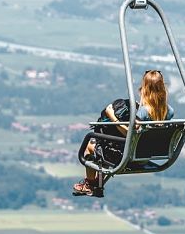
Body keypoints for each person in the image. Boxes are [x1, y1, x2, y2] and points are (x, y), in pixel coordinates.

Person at [73, 69, 173, 197]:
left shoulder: (143, 113)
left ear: (145, 88)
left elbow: (131, 135)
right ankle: (95, 186)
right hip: (145, 157)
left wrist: (113, 117)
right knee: (106, 147)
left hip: (130, 158)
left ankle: (90, 184)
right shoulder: (169, 111)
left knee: (91, 145)